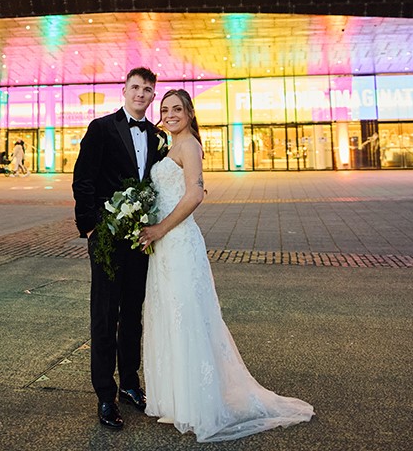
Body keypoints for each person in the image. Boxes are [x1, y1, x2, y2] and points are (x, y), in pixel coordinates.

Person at [138, 89, 313, 442]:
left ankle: (197, 404)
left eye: (177, 109)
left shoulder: (190, 146)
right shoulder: (168, 146)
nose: (170, 114)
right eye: (166, 109)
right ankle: (176, 400)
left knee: (186, 316)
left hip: (179, 240)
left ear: (189, 112)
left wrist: (159, 228)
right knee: (168, 315)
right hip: (163, 249)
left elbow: (194, 195)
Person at [72, 67, 167, 431]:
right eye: (136, 88)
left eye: (147, 89)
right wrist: (91, 226)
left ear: (152, 95)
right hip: (107, 238)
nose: (141, 94)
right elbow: (84, 178)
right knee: (104, 314)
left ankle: (129, 382)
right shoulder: (101, 128)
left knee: (133, 313)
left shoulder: (158, 137)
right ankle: (105, 394)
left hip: (141, 239)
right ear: (124, 90)